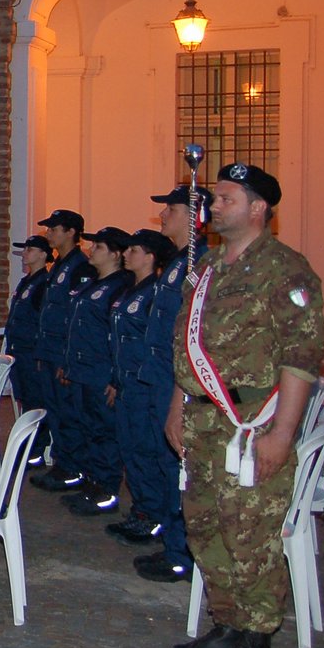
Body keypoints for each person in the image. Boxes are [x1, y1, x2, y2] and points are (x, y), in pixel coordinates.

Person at [166, 163, 324, 648]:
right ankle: (229, 623)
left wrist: (282, 434)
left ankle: (257, 642)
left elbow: (301, 356)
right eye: (215, 196)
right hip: (203, 423)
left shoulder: (286, 270)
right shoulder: (209, 266)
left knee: (251, 535)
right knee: (207, 528)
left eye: (226, 197)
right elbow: (188, 345)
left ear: (258, 207)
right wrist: (176, 406)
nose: (214, 205)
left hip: (251, 424)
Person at [132, 184, 212, 582]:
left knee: (176, 465)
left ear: (193, 216)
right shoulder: (178, 263)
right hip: (160, 373)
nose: (163, 216)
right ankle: (171, 541)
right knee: (163, 462)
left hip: (176, 379)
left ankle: (182, 552)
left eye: (171, 210)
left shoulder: (200, 262)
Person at [107, 227, 177, 545]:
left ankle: (153, 515)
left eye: (134, 250)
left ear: (150, 256)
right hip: (126, 382)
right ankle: (142, 510)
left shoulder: (154, 292)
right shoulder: (131, 290)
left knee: (146, 451)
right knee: (131, 449)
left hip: (144, 384)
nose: (126, 254)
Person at [58, 226, 133, 517]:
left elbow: (115, 335)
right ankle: (91, 481)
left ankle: (106, 489)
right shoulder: (92, 282)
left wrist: (114, 377)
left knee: (103, 431)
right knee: (86, 426)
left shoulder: (121, 285)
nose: (92, 251)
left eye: (99, 247)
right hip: (82, 367)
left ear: (116, 254)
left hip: (100, 369)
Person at [28, 209, 97, 492]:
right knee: (55, 411)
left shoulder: (80, 266)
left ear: (71, 232)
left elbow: (74, 316)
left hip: (63, 353)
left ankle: (72, 467)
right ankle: (62, 463)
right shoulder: (59, 265)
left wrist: (67, 358)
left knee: (69, 414)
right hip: (49, 349)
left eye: (55, 229)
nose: (49, 233)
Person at [4, 236, 53, 465]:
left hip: (31, 351)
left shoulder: (44, 283)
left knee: (36, 399)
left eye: (30, 250)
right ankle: (30, 444)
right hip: (19, 350)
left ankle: (36, 448)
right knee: (25, 398)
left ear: (43, 254)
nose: (25, 254)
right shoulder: (28, 281)